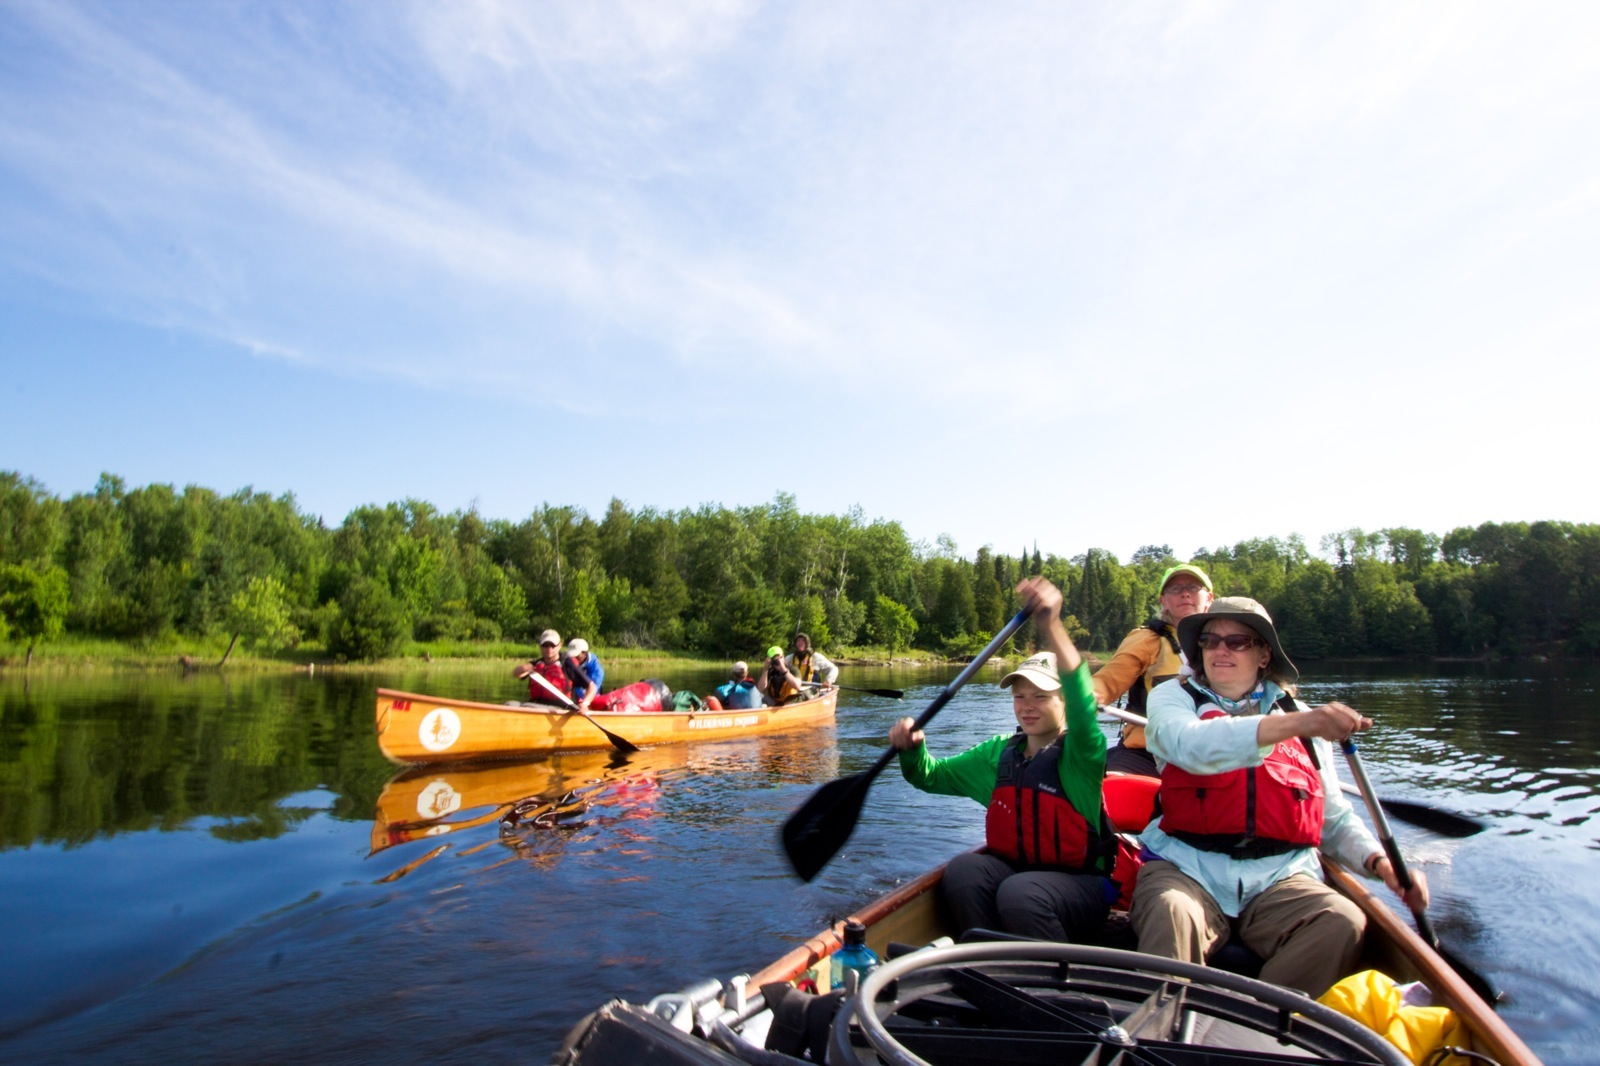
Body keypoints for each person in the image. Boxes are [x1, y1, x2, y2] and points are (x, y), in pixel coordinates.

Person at [1131, 597, 1431, 999]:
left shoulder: (1303, 719)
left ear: (1263, 654)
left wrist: (1380, 864)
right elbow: (1190, 745)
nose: (1221, 649)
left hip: (1280, 878)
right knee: (1171, 910)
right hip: (1185, 868)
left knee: (1342, 920)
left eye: (1237, 641)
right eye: (1209, 639)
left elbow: (1331, 817)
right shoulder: (1172, 699)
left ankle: (1253, 1030)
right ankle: (1163, 1034)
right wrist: (1298, 722)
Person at [888, 577, 1113, 942]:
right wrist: (913, 750)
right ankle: (987, 961)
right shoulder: (998, 754)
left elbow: (1081, 692)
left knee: (1020, 893)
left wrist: (1051, 625)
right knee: (964, 871)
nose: (1027, 705)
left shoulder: (1082, 752)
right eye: (1020, 696)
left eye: (1041, 696)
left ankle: (1052, 979)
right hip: (1018, 880)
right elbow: (929, 776)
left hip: (1079, 891)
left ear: (1064, 702)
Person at [1093, 563, 1213, 776]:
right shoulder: (1147, 639)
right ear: (1164, 601)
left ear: (1209, 598)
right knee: (1111, 788)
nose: (1185, 593)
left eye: (1193, 587)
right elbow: (1106, 683)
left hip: (1210, 751)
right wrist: (1083, 696)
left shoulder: (1226, 642)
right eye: (1175, 589)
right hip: (1148, 753)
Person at [513, 629, 573, 706]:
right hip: (536, 702)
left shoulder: (566, 664)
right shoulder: (536, 664)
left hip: (558, 706)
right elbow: (516, 673)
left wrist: (584, 703)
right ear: (540, 646)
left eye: (552, 645)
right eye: (545, 645)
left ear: (559, 646)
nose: (549, 649)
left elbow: (586, 685)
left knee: (530, 706)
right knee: (510, 704)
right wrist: (525, 667)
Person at [565, 638, 604, 711]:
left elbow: (593, 689)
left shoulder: (597, 670)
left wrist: (584, 703)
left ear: (584, 653)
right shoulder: (568, 662)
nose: (574, 658)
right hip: (571, 699)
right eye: (572, 655)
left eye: (577, 655)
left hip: (589, 699)